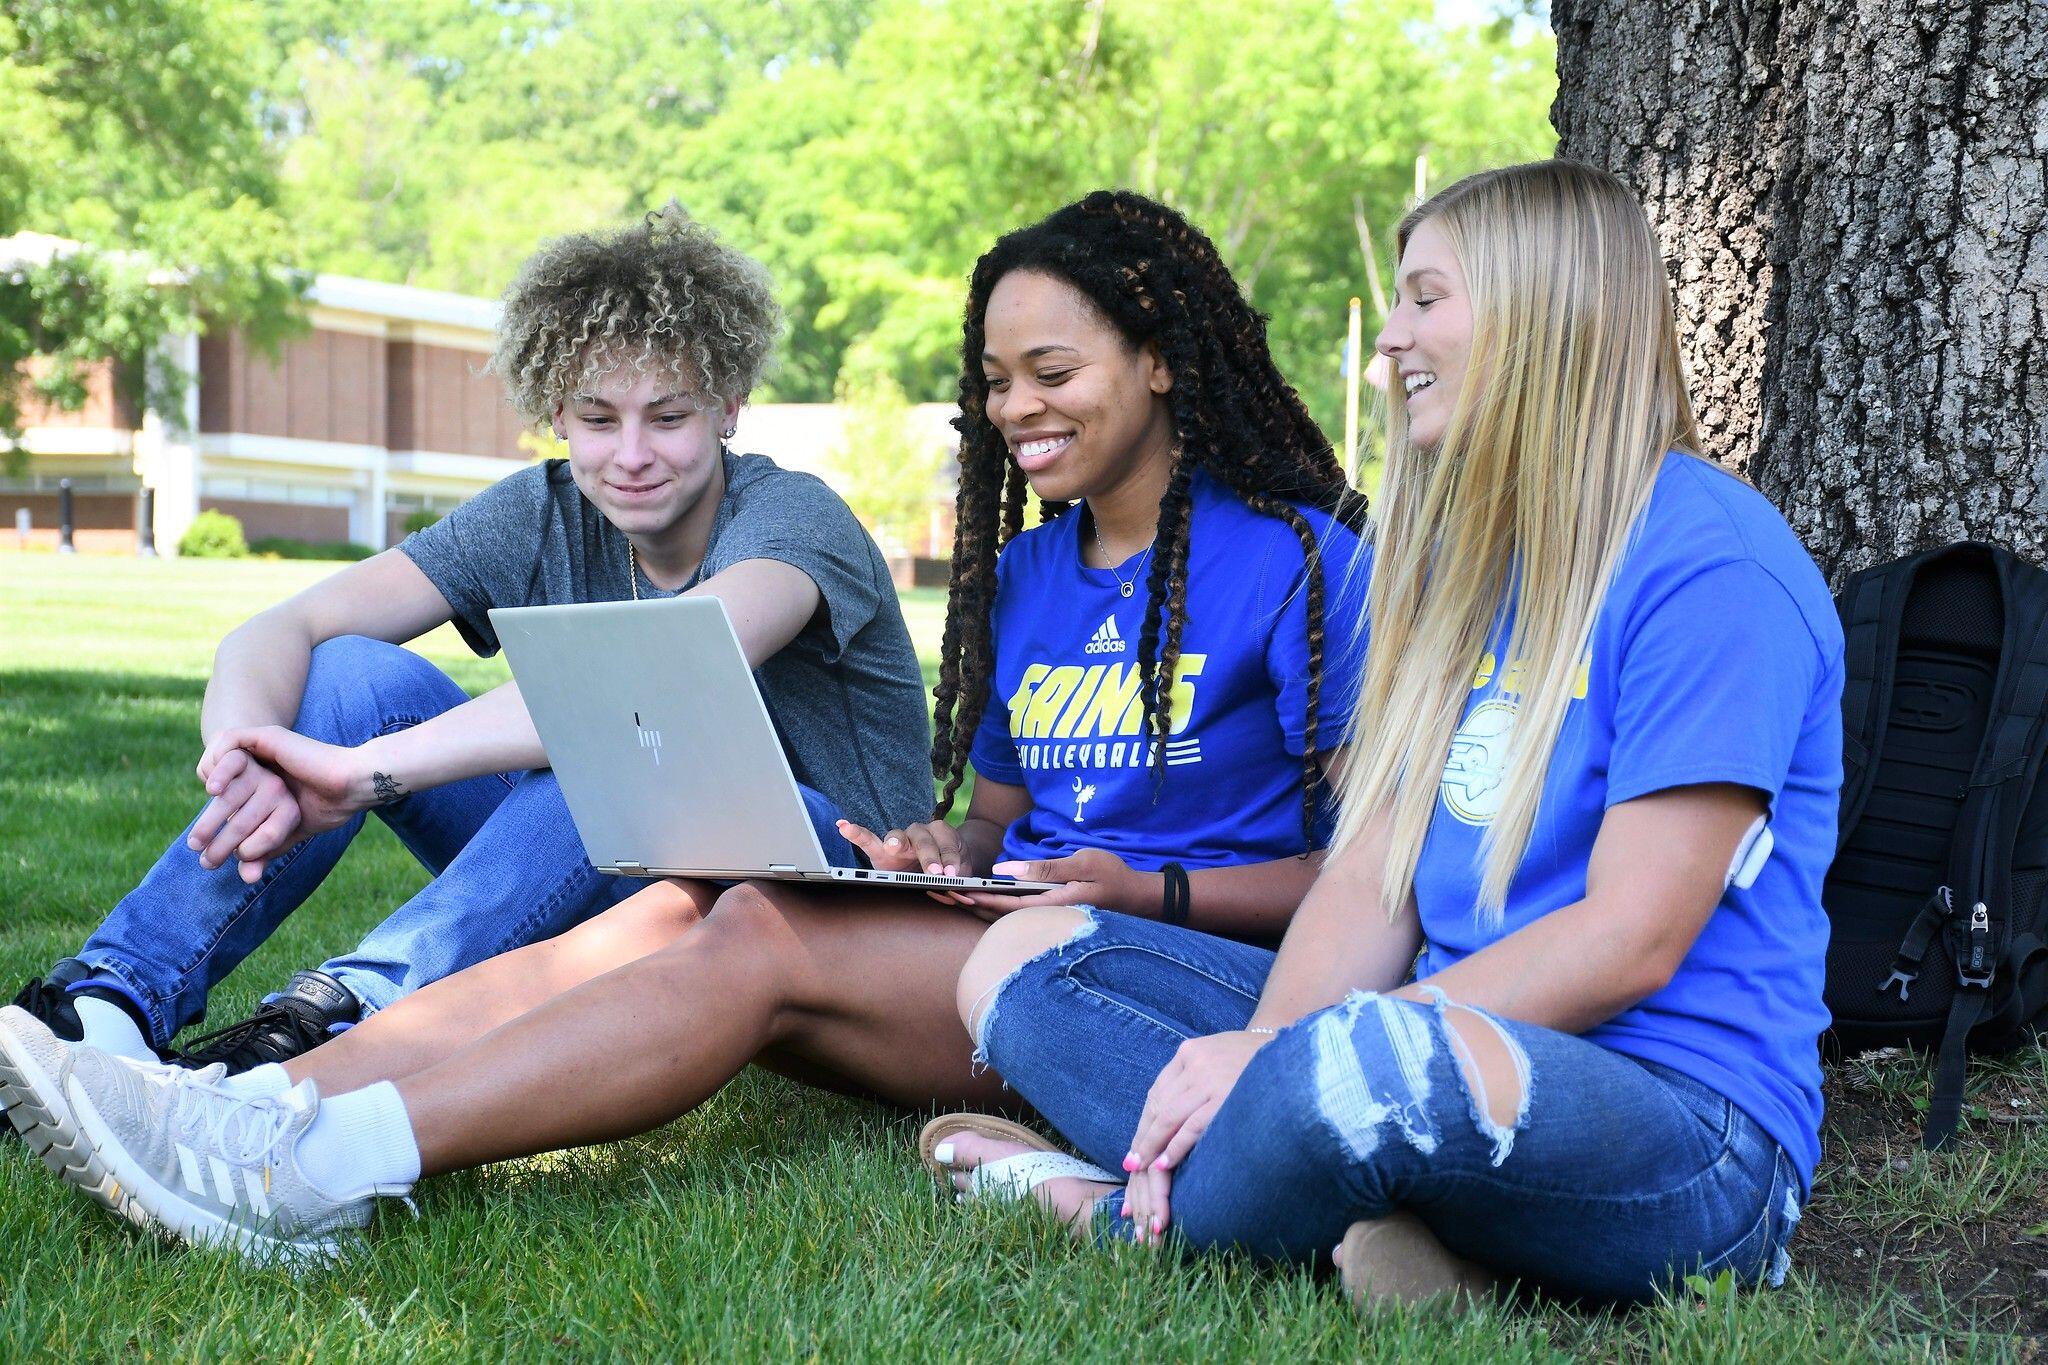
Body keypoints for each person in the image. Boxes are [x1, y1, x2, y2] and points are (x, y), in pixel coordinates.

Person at [0, 190, 1370, 1260]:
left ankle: (318, 1162)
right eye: (998, 378)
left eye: (1050, 370)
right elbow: (995, 827)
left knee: (693, 864)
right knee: (685, 898)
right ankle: (243, 1112)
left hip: (1168, 974)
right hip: (997, 931)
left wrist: (1148, 883)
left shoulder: (1309, 567)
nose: (1013, 407)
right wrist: (927, 848)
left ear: (1164, 359)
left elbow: (1378, 882)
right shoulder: (1022, 578)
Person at [928, 160, 1844, 1308]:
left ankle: (1123, 1217)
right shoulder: (1471, 563)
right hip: (1439, 1040)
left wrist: (1281, 1062)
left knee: (1361, 1064)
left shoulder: (1706, 564)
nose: (1388, 342)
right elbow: (1373, 874)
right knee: (1021, 957)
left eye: (1424, 299)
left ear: (1537, 308)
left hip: (1680, 1124)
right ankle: (1376, 1228)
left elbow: (1629, 941)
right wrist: (1258, 1050)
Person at [1, 206, 932, 1094]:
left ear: (729, 408)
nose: (633, 452)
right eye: (599, 419)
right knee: (355, 673)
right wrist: (250, 751)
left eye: (670, 416)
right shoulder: (540, 512)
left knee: (625, 746)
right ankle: (107, 1005)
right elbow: (277, 630)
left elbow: (651, 678)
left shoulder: (793, 516)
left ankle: (340, 1021)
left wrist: (360, 774)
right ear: (557, 414)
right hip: (630, 879)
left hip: (829, 899)